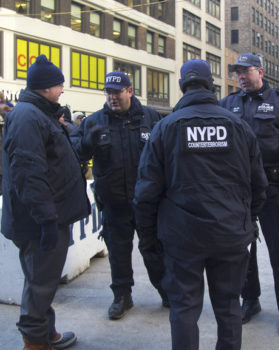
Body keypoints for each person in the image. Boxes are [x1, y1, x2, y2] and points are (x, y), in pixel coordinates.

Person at [134, 59, 268, 350]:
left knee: (183, 308)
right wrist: (246, 220)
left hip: (182, 238)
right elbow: (259, 185)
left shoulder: (165, 127)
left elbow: (146, 192)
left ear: (182, 86)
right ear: (211, 85)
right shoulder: (239, 127)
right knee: (229, 305)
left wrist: (148, 237)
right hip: (230, 233)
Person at [1, 55, 90, 350]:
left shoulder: (39, 113)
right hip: (39, 222)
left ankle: (44, 333)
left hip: (45, 217)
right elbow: (29, 175)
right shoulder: (28, 117)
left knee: (42, 280)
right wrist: (47, 220)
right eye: (59, 84)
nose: (62, 88)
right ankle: (34, 342)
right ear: (46, 87)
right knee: (40, 283)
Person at [219, 53, 279, 337]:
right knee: (242, 250)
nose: (241, 77)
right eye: (237, 73)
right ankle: (251, 300)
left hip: (273, 188)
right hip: (238, 189)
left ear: (260, 71)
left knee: (278, 251)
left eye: (246, 72)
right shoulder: (227, 104)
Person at [70, 71, 166, 320]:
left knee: (154, 250)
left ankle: (167, 291)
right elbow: (73, 155)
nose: (113, 97)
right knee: (118, 252)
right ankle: (122, 296)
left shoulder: (150, 117)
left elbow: (166, 155)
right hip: (114, 202)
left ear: (130, 91)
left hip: (146, 202)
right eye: (109, 92)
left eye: (118, 92)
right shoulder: (94, 122)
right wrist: (86, 144)